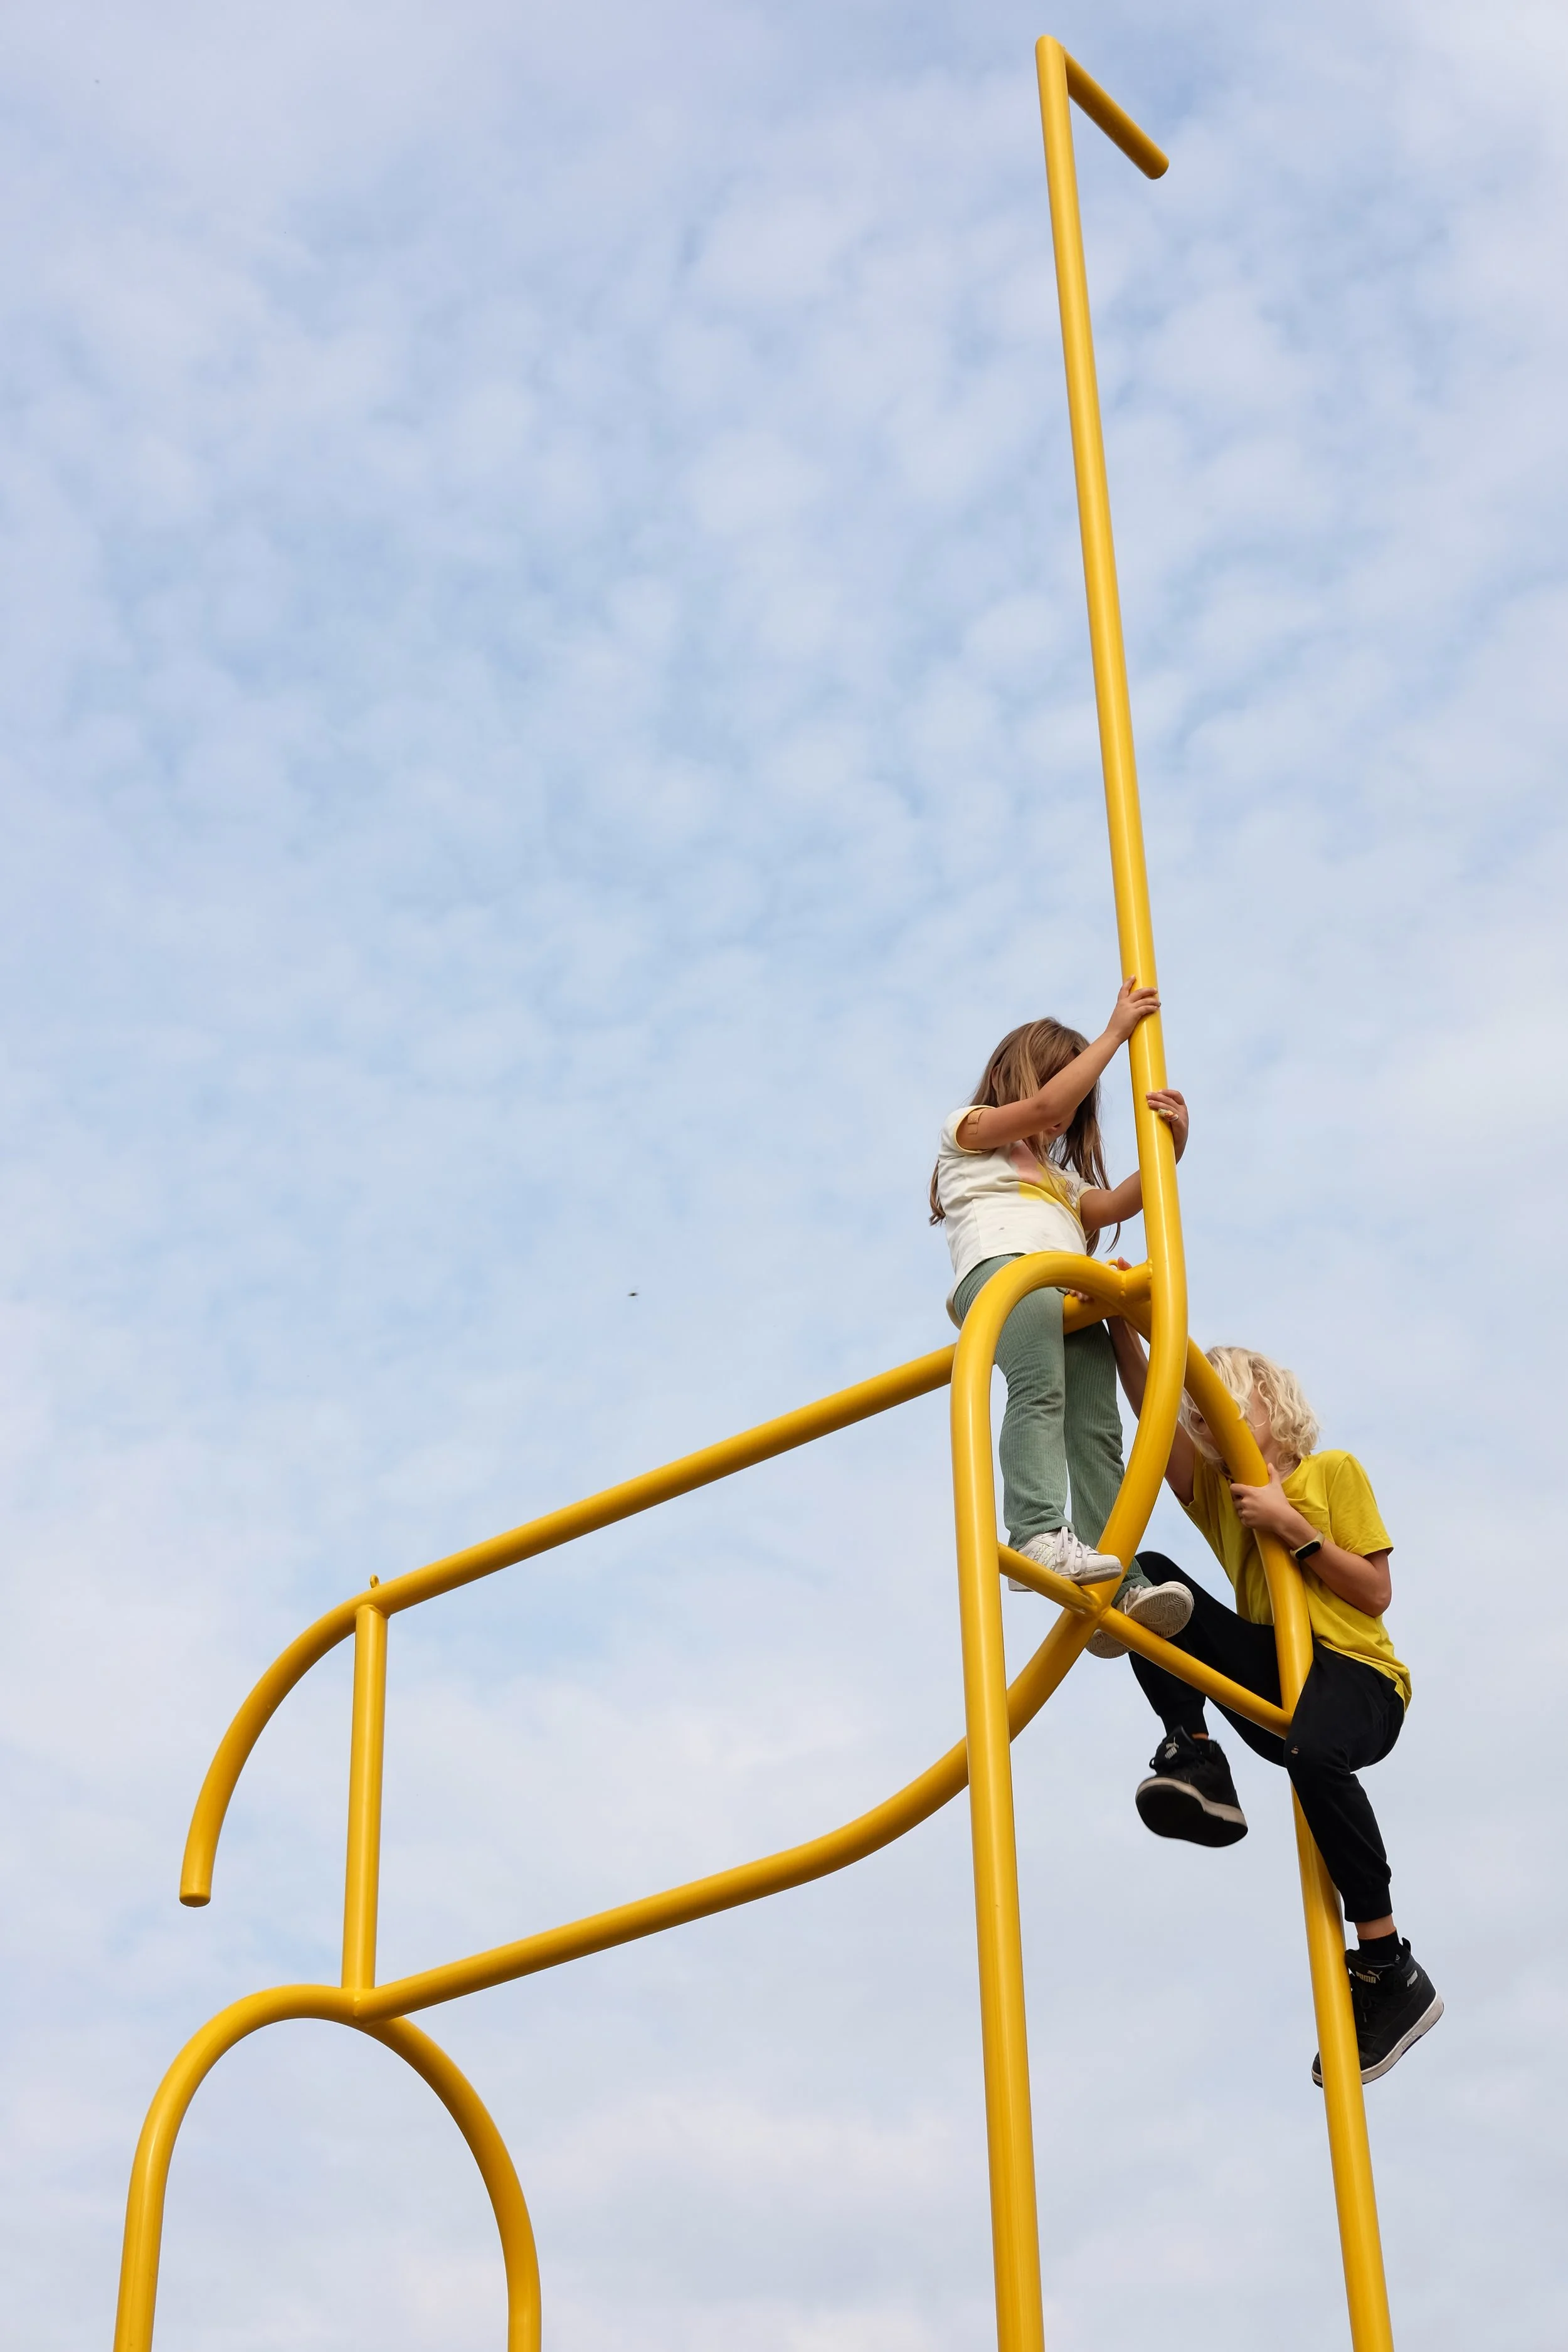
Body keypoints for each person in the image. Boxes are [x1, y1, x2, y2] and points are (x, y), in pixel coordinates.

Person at [1107, 1325, 1443, 2085]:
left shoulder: (1330, 1473)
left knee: (1315, 1754)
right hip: (1278, 1683)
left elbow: (1376, 1592)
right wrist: (1119, 1323)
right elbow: (1154, 1421)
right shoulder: (1225, 1503)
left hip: (1356, 1678)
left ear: (1270, 1398)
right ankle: (1196, 1755)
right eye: (1200, 1415)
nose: (1208, 1421)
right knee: (1147, 1580)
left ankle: (1388, 1965)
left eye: (1226, 1404)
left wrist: (1295, 1533)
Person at [932, 979, 1193, 1652]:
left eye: (1076, 1114)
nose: (1064, 1119)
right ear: (1020, 1078)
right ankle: (1037, 1531)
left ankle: (1118, 1581)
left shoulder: (1061, 1183)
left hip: (1066, 1295)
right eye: (1064, 1098)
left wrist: (1171, 1146)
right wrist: (1113, 1034)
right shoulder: (969, 1133)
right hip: (1002, 1277)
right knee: (1039, 1392)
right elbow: (1045, 1103)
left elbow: (1120, 1204)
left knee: (1096, 1427)